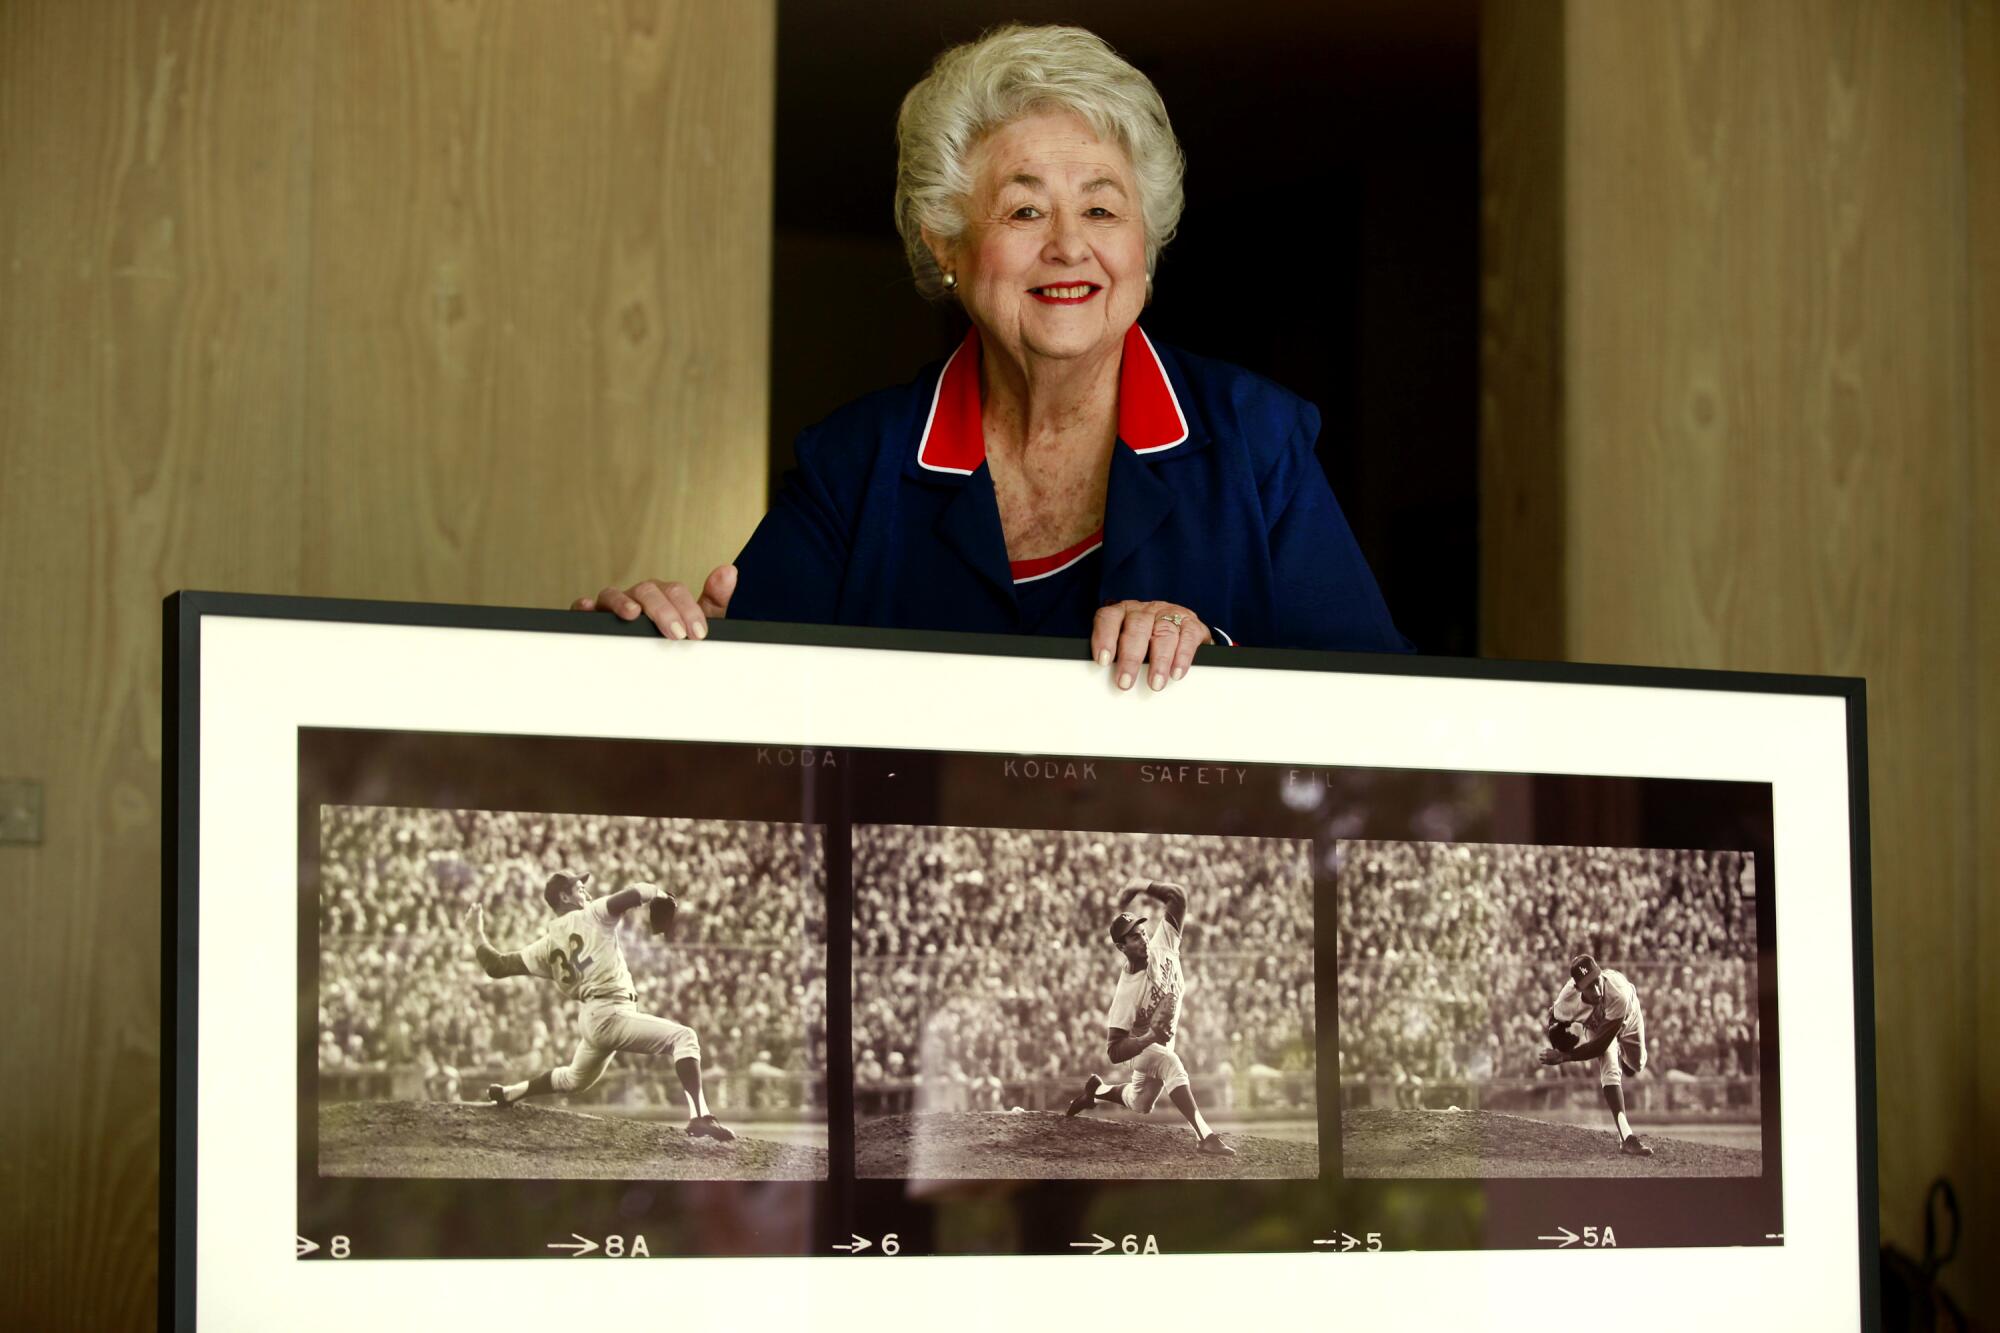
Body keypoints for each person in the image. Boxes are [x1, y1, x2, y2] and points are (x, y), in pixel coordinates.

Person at [576, 23, 1408, 685]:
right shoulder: (853, 468)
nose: (1069, 248)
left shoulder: (1256, 442)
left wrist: (1214, 656)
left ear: (1144, 246)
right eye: (1022, 212)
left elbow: (1393, 714)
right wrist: (646, 653)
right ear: (947, 242)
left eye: (1102, 209)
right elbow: (736, 696)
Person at [465, 870, 735, 1142]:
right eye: (580, 888)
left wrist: (476, 933)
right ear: (564, 896)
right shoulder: (593, 914)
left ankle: (510, 1093)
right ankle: (700, 1116)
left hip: (593, 1018)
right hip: (612, 1012)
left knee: (573, 1080)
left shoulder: (546, 945)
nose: (586, 892)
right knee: (684, 1037)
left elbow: (496, 966)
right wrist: (662, 894)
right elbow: (637, 892)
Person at [1064, 880, 1234, 1156]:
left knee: (1141, 1102)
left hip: (1161, 1037)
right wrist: (1149, 1038)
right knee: (1170, 1064)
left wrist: (1140, 885)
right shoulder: (1127, 991)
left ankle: (1095, 1092)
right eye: (1134, 937)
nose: (1143, 940)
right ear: (1121, 947)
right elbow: (1114, 1050)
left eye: (1143, 933)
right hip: (1138, 1044)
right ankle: (1206, 1135)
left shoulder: (1163, 943)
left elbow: (1177, 896)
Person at [1537, 952, 1653, 1157]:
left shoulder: (1618, 992)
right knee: (1610, 1067)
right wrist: (1560, 1038)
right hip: (1597, 1025)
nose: (1597, 989)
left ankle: (1625, 1057)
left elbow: (1598, 1046)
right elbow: (1553, 1020)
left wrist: (1565, 1056)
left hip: (1629, 1017)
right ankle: (1627, 1137)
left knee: (1637, 1064)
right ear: (1577, 987)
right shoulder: (1568, 998)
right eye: (1589, 986)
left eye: (1597, 980)